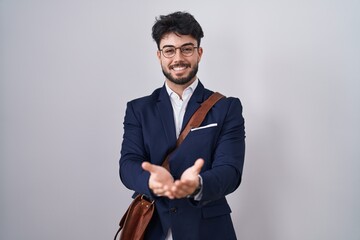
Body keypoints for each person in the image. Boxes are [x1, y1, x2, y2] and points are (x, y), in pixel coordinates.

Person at [119, 11, 245, 240]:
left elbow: (231, 171)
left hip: (208, 230)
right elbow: (128, 165)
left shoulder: (227, 108)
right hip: (152, 227)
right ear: (159, 55)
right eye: (169, 50)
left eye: (186, 48)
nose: (178, 58)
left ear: (199, 52)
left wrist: (197, 184)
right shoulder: (138, 109)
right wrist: (152, 181)